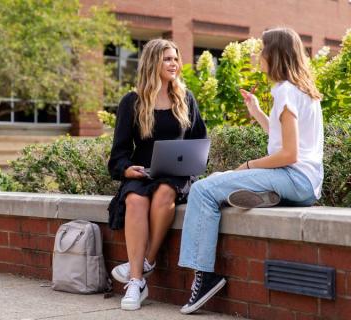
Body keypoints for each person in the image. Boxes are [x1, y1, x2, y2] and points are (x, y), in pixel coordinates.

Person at [178, 27, 324, 314]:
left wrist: (247, 165)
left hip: (293, 177)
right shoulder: (303, 91)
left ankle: (204, 277)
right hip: (307, 185)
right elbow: (285, 141)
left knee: (203, 189)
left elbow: (289, 154)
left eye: (261, 49)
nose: (258, 55)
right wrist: (257, 111)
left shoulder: (284, 91)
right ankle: (269, 194)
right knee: (220, 180)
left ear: (274, 54)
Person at [107, 39, 207, 311]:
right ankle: (136, 282)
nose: (174, 64)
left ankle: (144, 263)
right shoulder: (132, 101)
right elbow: (119, 152)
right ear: (153, 62)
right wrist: (127, 169)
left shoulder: (185, 99)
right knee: (135, 201)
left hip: (177, 174)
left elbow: (200, 141)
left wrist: (193, 162)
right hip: (142, 172)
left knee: (165, 193)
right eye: (167, 59)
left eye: (175, 58)